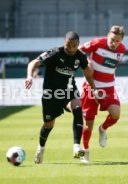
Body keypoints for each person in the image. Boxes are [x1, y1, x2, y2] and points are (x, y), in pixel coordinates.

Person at [25, 31, 95, 164]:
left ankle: (76, 147)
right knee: (48, 125)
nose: (71, 49)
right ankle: (41, 149)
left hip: (69, 90)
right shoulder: (55, 52)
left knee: (78, 109)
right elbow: (33, 62)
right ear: (65, 42)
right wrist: (29, 76)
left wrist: (94, 89)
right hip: (51, 94)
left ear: (78, 44)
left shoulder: (80, 56)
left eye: (74, 46)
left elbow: (88, 74)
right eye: (68, 45)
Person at [79, 26, 126, 163]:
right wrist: (87, 62)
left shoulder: (122, 50)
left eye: (117, 41)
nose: (114, 43)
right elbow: (79, 51)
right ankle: (85, 152)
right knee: (88, 124)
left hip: (109, 88)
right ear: (107, 36)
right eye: (112, 39)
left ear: (121, 40)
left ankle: (103, 128)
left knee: (116, 114)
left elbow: (110, 67)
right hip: (90, 87)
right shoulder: (97, 43)